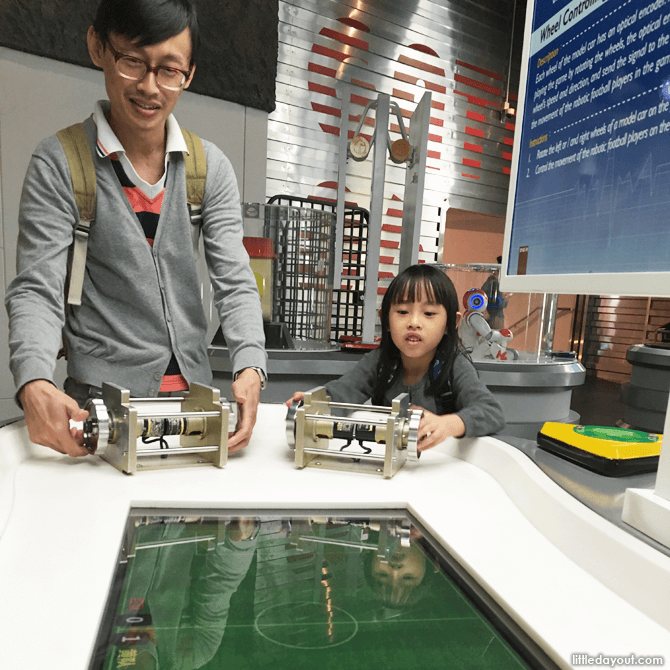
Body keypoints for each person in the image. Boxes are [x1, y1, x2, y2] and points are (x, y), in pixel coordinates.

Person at [5, 0, 267, 458]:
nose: (150, 88)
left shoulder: (210, 168)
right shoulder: (61, 162)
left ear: (188, 74)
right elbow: (36, 289)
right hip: (99, 409)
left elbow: (236, 282)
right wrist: (34, 380)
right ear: (98, 47)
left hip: (194, 409)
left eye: (169, 70)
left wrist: (250, 365)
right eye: (133, 62)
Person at [287, 264, 504, 451]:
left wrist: (449, 424)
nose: (414, 322)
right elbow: (343, 392)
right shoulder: (380, 362)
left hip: (438, 469)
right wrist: (313, 404)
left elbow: (491, 412)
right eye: (402, 312)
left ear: (451, 324)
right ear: (385, 318)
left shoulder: (455, 367)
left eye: (428, 314)